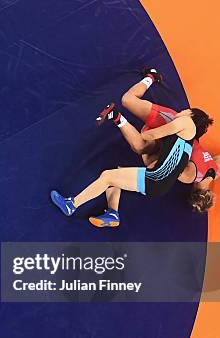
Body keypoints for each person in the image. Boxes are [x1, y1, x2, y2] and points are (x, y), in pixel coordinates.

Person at [50, 69, 205, 226]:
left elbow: (150, 136)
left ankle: (72, 204)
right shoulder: (187, 145)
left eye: (186, 110)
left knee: (107, 176)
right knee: (114, 175)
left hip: (156, 178)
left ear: (191, 114)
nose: (181, 111)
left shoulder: (187, 123)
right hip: (160, 182)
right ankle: (112, 213)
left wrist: (146, 132)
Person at [86, 68, 220, 226]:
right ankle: (151, 77)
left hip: (172, 139)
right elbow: (165, 167)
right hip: (170, 129)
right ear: (194, 191)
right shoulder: (188, 177)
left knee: (140, 147)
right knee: (128, 101)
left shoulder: (215, 171)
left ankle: (117, 117)